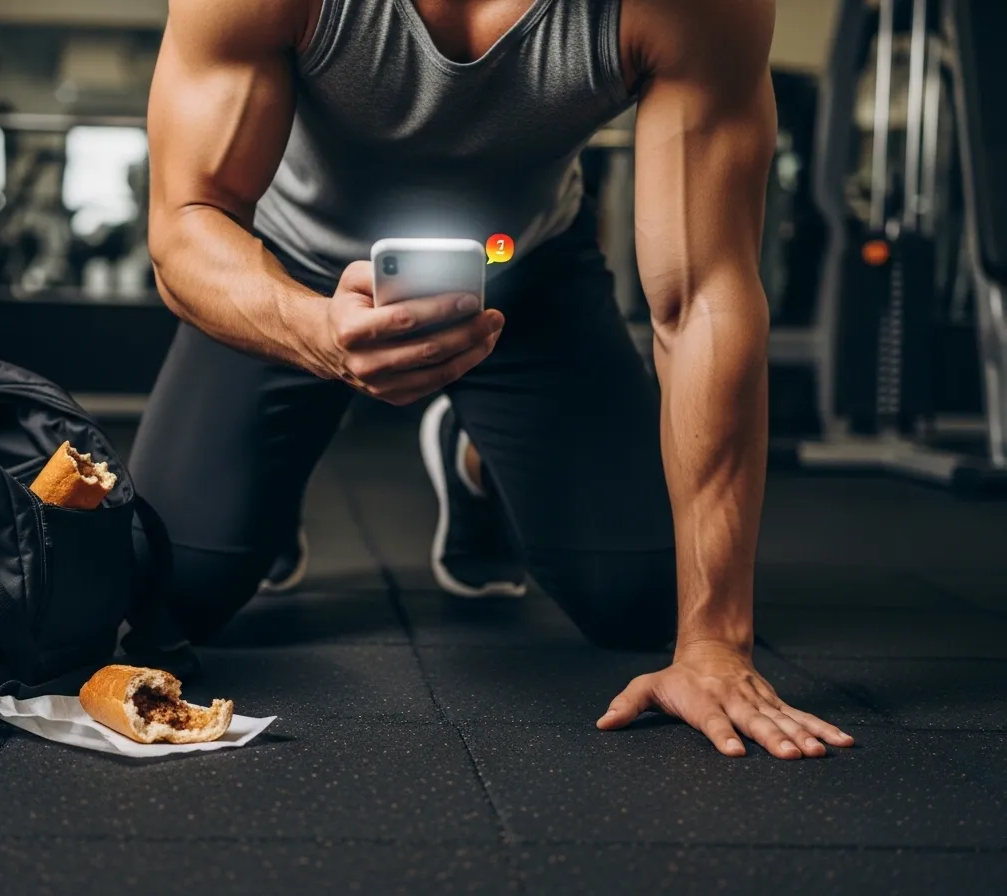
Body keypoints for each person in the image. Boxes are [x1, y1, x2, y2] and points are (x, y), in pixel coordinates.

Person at [128, 0, 855, 760]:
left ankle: (471, 463)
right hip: (289, 272)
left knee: (639, 601)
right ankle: (270, 487)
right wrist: (316, 335)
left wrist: (714, 645)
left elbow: (705, 295)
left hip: (526, 273)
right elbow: (185, 220)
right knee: (179, 592)